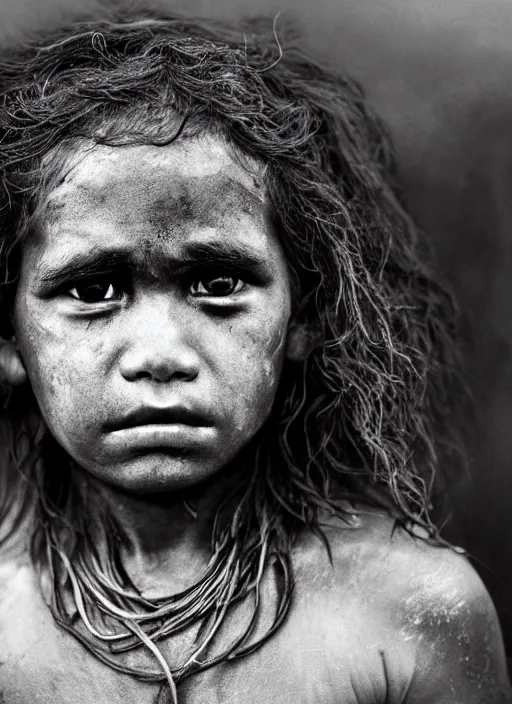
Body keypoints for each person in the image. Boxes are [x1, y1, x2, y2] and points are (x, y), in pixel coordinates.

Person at [0, 10, 509, 704]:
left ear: (304, 316)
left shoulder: (407, 610)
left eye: (217, 284)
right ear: (10, 340)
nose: (159, 355)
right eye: (93, 289)